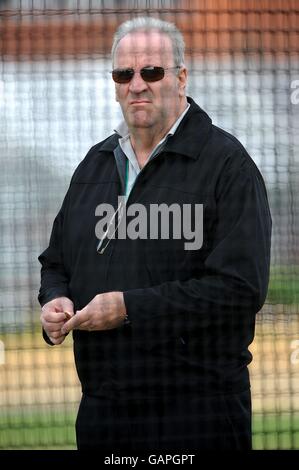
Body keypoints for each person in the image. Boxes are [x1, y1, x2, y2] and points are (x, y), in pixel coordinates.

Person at [38, 16, 271, 451]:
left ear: (181, 77)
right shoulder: (94, 165)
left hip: (197, 416)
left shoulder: (226, 165)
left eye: (152, 71)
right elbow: (56, 262)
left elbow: (240, 290)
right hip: (104, 415)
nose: (137, 85)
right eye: (124, 74)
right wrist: (54, 298)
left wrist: (129, 309)